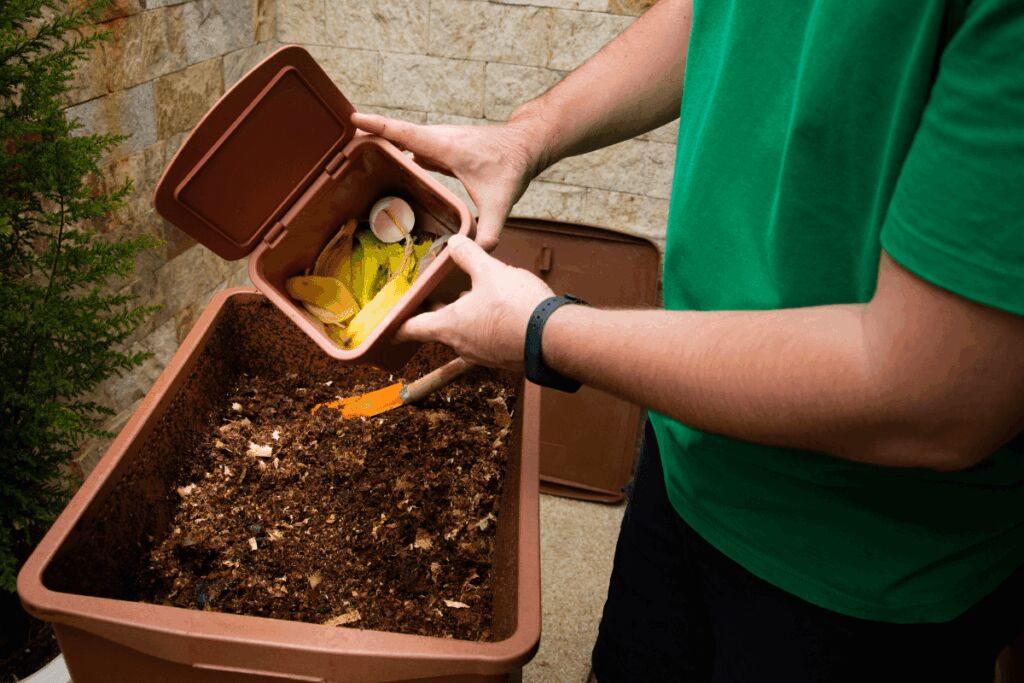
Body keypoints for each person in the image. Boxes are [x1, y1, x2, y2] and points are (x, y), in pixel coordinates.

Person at [352, 0, 1024, 680]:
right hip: (686, 455)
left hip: (864, 573)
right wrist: (526, 134)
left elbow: (930, 395)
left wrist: (545, 329)